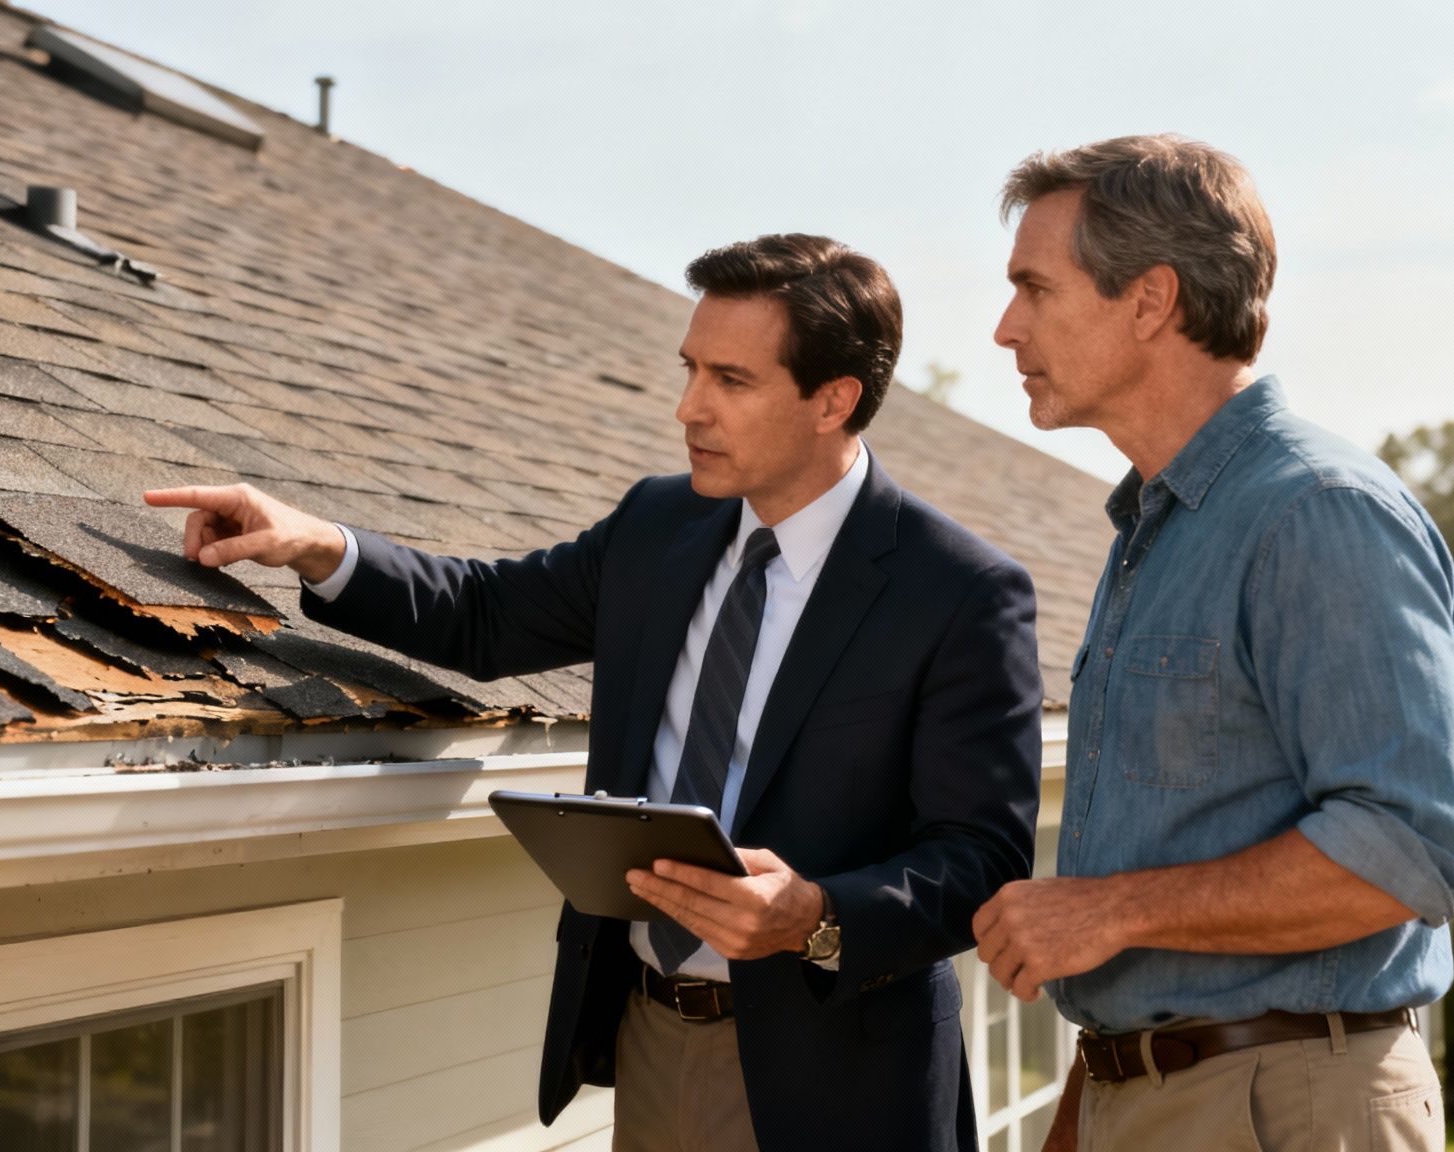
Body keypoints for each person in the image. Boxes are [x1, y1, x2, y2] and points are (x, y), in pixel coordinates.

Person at [147, 233, 1042, 1152]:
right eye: (690, 369)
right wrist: (310, 542)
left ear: (834, 400)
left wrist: (815, 915)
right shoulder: (659, 524)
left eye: (731, 381)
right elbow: (486, 615)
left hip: (838, 1078)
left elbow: (982, 857)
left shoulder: (958, 591)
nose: (689, 407)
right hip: (647, 1035)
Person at [970, 135, 1454, 1152]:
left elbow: (1410, 848)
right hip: (1149, 1094)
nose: (1003, 328)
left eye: (1034, 288)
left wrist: (1102, 912)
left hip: (1284, 1106)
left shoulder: (1316, 515)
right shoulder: (1159, 530)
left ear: (1149, 299)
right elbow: (1166, 890)